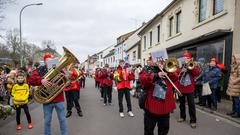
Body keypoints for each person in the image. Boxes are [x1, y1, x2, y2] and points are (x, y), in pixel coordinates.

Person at [28, 54, 67, 135]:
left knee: (62, 119)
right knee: (47, 120)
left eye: (52, 59)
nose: (51, 61)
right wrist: (41, 80)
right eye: (49, 60)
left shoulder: (57, 68)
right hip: (47, 99)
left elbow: (65, 79)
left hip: (59, 99)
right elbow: (30, 79)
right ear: (45, 61)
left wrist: (67, 78)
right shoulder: (40, 69)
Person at [139, 57, 178, 135]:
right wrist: (156, 75)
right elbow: (142, 80)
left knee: (164, 130)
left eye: (161, 60)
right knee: (149, 130)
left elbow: (176, 78)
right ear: (151, 61)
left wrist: (168, 71)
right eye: (156, 60)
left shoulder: (167, 69)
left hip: (165, 107)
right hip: (151, 107)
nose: (159, 61)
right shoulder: (147, 69)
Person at [176, 52, 200, 128]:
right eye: (184, 58)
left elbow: (197, 73)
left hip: (190, 88)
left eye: (187, 58)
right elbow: (176, 75)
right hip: (181, 88)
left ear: (190, 59)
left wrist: (190, 68)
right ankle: (182, 116)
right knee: (181, 104)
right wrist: (181, 70)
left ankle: (193, 120)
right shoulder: (179, 66)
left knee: (191, 105)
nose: (186, 59)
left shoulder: (193, 65)